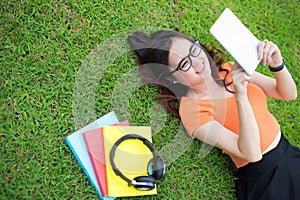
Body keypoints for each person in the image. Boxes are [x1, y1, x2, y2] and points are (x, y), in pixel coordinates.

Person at [127, 29, 299, 199]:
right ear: (171, 78)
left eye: (193, 51)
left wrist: (277, 64)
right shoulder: (192, 111)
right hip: (266, 179)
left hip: (291, 154)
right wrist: (240, 94)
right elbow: (252, 154)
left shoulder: (230, 69)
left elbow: (288, 94)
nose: (196, 62)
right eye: (184, 64)